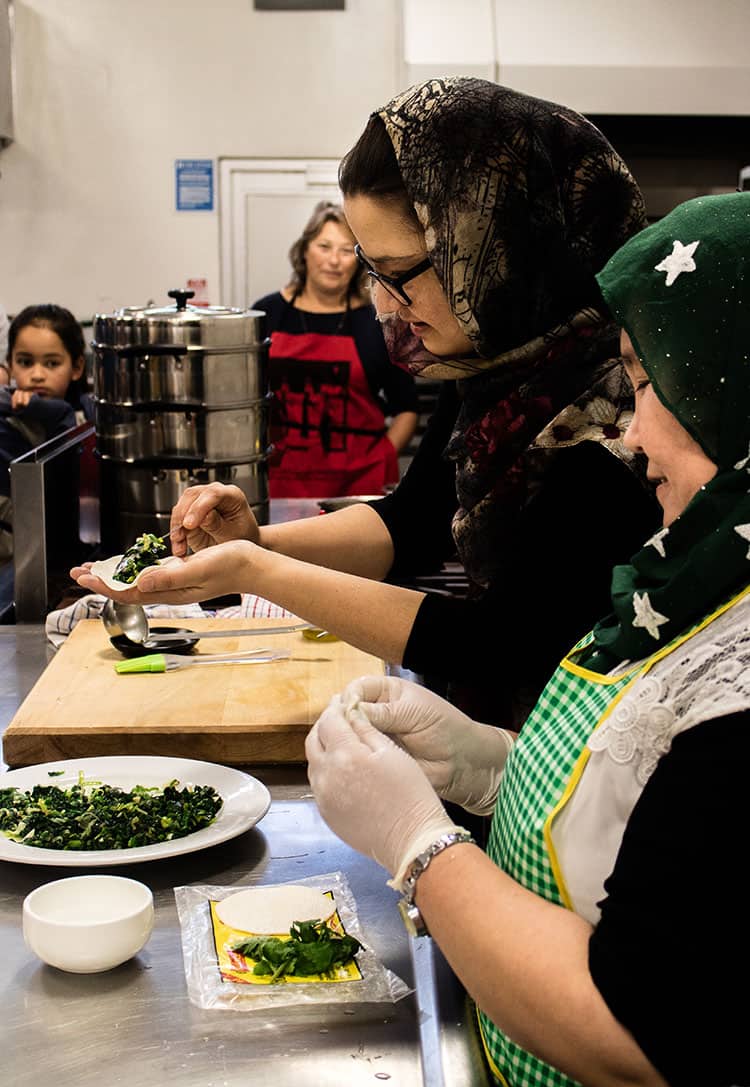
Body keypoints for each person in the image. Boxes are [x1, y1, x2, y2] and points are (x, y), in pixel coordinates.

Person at [305, 191, 750, 1087]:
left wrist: (418, 845)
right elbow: (647, 810)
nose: (631, 431)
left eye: (648, 382)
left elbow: (641, 1047)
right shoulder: (695, 567)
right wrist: (480, 764)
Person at [71, 77, 660, 729]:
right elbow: (411, 522)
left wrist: (257, 570)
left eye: (401, 272)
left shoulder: (623, 414)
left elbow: (499, 642)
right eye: (370, 270)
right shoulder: (494, 375)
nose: (383, 304)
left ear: (503, 252)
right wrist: (256, 541)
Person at [252, 200, 418, 498]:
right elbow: (248, 403)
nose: (334, 260)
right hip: (281, 484)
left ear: (359, 260)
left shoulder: (378, 322)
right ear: (304, 250)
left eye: (346, 250)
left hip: (358, 489)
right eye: (324, 246)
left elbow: (406, 408)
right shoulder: (267, 314)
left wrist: (381, 459)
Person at [1, 304, 92, 563]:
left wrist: (57, 412)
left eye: (52, 363)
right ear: (10, 365)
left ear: (76, 367)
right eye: (25, 362)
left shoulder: (86, 412)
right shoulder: (5, 423)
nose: (37, 375)